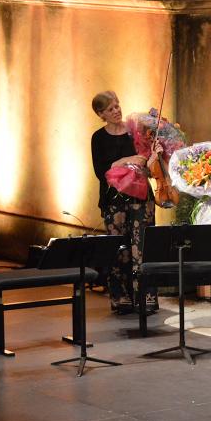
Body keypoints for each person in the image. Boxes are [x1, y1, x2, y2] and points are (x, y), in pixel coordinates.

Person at [90, 90, 158, 314]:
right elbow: (102, 171)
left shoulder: (135, 132)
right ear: (101, 114)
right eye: (110, 109)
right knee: (119, 247)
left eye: (117, 105)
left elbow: (147, 164)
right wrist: (126, 160)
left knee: (144, 246)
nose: (116, 110)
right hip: (114, 200)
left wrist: (155, 155)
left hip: (140, 198)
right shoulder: (98, 138)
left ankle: (146, 295)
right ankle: (121, 296)